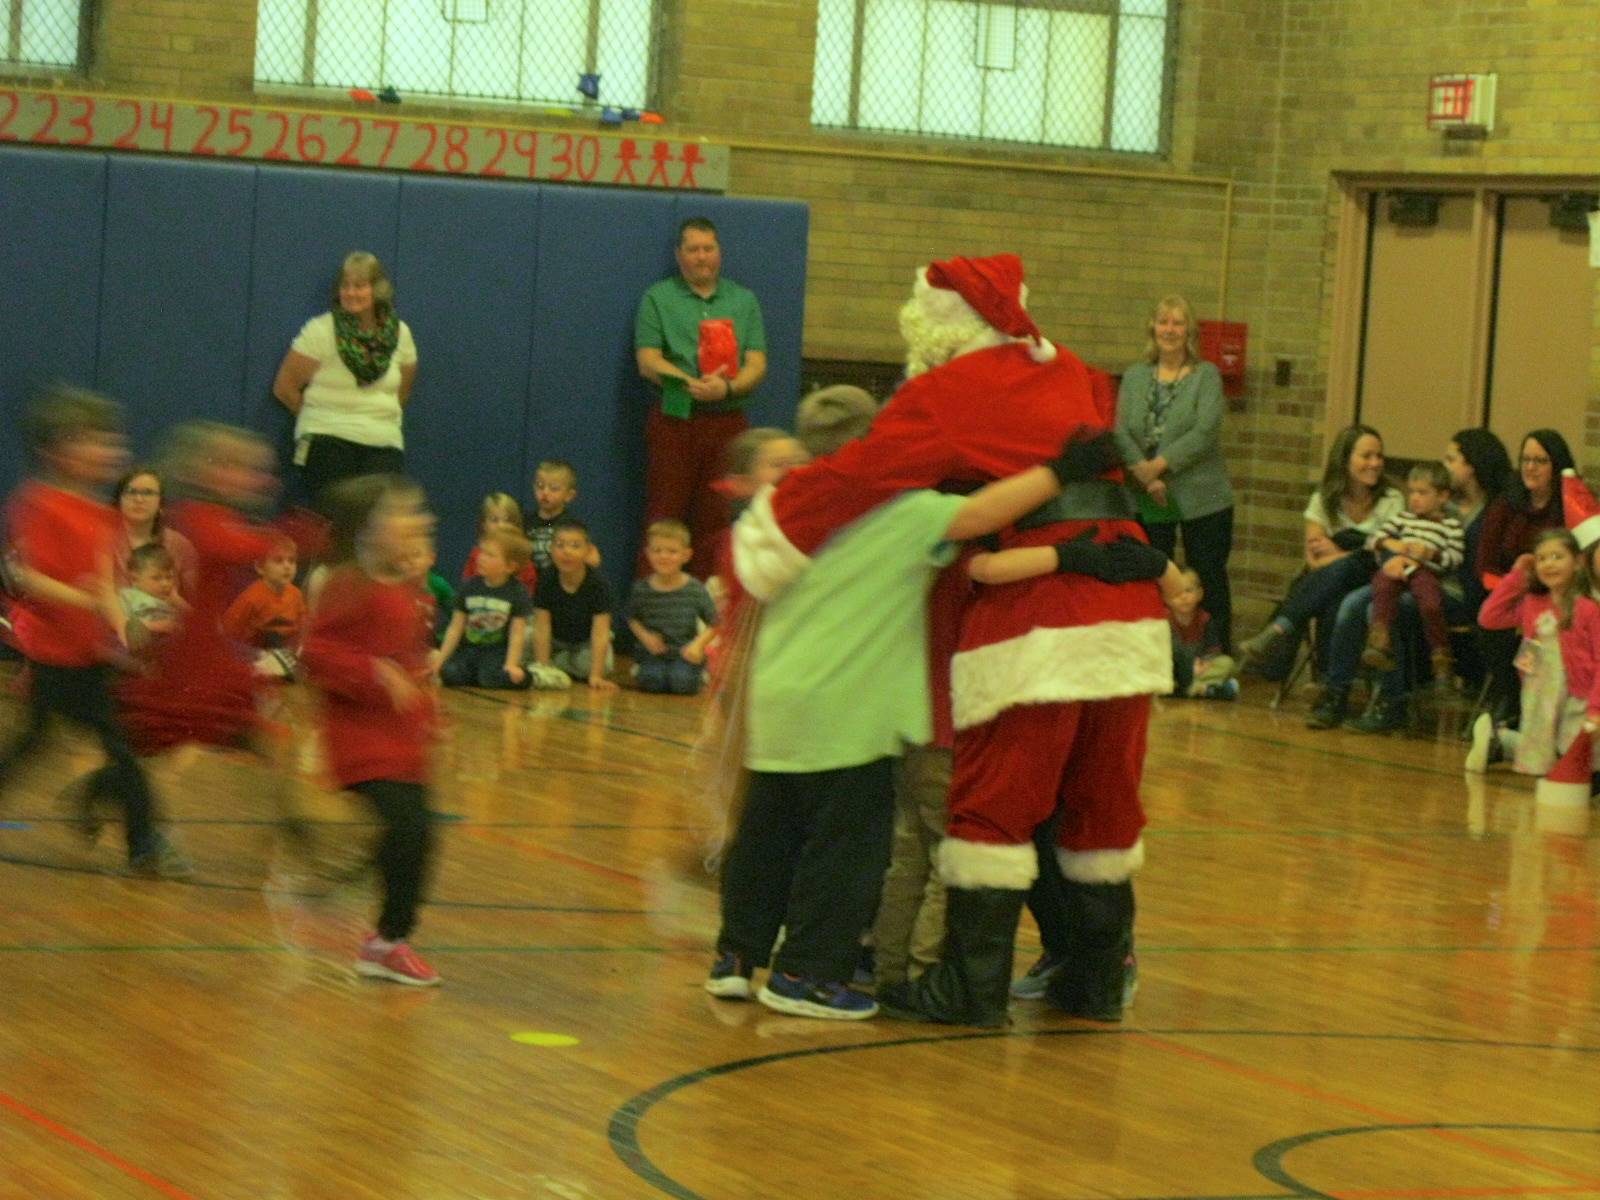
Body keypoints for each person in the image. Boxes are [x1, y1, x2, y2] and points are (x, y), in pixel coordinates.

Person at [734, 253, 1170, 1027]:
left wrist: (775, 527)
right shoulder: (1070, 370)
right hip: (1129, 609)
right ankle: (1095, 983)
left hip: (1037, 612)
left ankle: (967, 988)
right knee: (1101, 803)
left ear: (938, 325)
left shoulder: (944, 396)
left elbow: (856, 475)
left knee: (996, 801)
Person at [707, 389, 1095, 1019]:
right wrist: (1063, 468)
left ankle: (735, 958)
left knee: (766, 837)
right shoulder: (899, 511)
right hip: (849, 715)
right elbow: (979, 514)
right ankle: (805, 976)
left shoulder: (784, 506)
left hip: (779, 704)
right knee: (846, 854)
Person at [0, 386, 181, 876]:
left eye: (112, 441)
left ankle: (143, 847)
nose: (111, 451)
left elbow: (106, 582)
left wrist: (128, 629)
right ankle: (144, 847)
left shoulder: (102, 514)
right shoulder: (38, 503)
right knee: (77, 747)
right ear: (56, 449)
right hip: (54, 659)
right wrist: (84, 600)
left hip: (87, 657)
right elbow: (24, 575)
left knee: (56, 745)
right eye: (95, 441)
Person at [302, 474, 441, 986]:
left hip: (401, 741)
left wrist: (429, 717)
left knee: (415, 836)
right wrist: (374, 673)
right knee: (410, 830)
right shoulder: (347, 585)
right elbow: (315, 654)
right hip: (361, 741)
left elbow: (412, 662)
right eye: (404, 513)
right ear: (368, 529)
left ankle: (381, 927)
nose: (420, 521)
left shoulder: (404, 588)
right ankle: (386, 942)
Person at [1310, 429, 1511, 733]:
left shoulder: (1493, 511)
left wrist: (1429, 556)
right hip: (1409, 576)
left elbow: (1473, 566)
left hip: (1454, 592)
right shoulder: (1438, 505)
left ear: (1473, 466)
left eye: (1451, 459)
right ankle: (1336, 693)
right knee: (1352, 604)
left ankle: (1393, 701)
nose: (1444, 466)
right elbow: (1393, 538)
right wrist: (1394, 555)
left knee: (1387, 607)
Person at [634, 217, 768, 578]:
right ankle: (652, 611)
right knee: (664, 514)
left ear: (719, 253)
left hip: (728, 423)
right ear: (679, 255)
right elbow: (648, 361)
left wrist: (726, 388)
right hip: (675, 420)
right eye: (693, 249)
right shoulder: (657, 298)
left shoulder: (744, 300)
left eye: (708, 248)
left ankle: (710, 611)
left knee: (718, 517)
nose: (701, 257)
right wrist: (689, 382)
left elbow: (757, 364)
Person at [1114, 294, 1235, 651]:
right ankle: (1155, 655)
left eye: (1178, 323)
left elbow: (1205, 431)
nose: (1170, 330)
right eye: (1164, 322)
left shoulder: (1206, 375)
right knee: (1153, 574)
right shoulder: (1135, 376)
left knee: (1208, 576)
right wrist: (1147, 477)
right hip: (1147, 494)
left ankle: (1215, 657)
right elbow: (1119, 429)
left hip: (1204, 496)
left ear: (1189, 331)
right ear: (1153, 328)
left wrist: (1159, 466)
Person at [1238, 424, 1402, 677]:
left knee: (1355, 564)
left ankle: (1280, 628)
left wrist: (1339, 550)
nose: (1375, 463)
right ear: (1345, 459)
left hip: (1374, 580)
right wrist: (1357, 551)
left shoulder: (1392, 500)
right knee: (1334, 601)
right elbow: (1314, 562)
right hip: (1333, 582)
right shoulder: (1323, 500)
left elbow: (1385, 557)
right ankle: (1329, 683)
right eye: (1366, 456)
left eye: (1379, 456)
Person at [271, 251, 419, 507]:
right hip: (327, 440)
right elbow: (285, 388)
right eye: (345, 286)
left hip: (383, 443)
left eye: (359, 286)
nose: (350, 293)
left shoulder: (401, 334)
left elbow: (402, 392)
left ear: (378, 290)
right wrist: (323, 417)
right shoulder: (320, 330)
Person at [1467, 529, 1599, 777]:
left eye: (1557, 557)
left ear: (1578, 562)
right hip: (1539, 693)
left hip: (1577, 699)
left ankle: (1501, 741)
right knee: (1544, 754)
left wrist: (1595, 707)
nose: (1549, 564)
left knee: (1576, 760)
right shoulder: (1534, 603)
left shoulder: (1588, 608)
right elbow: (1489, 617)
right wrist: (1518, 575)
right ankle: (1501, 742)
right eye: (1542, 558)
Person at [1475, 429, 1574, 726]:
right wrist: (1516, 581)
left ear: (1555, 466)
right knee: (1492, 627)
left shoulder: (1570, 508)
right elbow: (1484, 565)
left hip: (1556, 595)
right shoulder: (1505, 505)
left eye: (1540, 461)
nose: (1530, 467)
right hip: (1508, 590)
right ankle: (1512, 698)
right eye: (1526, 460)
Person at [1360, 462, 1465, 682]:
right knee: (1382, 585)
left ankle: (1440, 655)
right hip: (1399, 567)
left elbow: (1455, 558)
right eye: (1412, 492)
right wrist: (1390, 544)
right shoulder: (1403, 518)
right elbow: (1372, 539)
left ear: (1443, 496)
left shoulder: (1451, 525)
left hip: (1424, 571)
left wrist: (1431, 554)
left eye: (1422, 493)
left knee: (1430, 603)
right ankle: (1380, 639)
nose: (1414, 498)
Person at [433, 528, 533, 690]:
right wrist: (441, 660)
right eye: (481, 552)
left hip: (497, 652)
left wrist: (511, 664)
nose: (481, 558)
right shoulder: (469, 587)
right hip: (469, 649)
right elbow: (455, 627)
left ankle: (530, 676)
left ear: (509, 566)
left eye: (489, 555)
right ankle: (475, 674)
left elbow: (517, 634)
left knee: (490, 678)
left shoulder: (517, 592)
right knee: (450, 673)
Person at [627, 520, 716, 695]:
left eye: (672, 551)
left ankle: (699, 675)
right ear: (648, 554)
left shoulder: (694, 589)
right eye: (657, 550)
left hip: (684, 653)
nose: (663, 556)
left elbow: (716, 622)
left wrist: (698, 645)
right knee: (652, 682)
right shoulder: (641, 589)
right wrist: (646, 637)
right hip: (653, 654)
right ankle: (643, 669)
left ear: (686, 555)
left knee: (681, 684)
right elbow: (631, 617)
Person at [530, 519, 617, 691]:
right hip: (554, 641)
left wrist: (596, 676)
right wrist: (543, 669)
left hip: (584, 643)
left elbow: (600, 632)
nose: (566, 552)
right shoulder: (547, 579)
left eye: (575, 546)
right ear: (551, 549)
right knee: (525, 638)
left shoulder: (599, 584)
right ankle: (553, 664)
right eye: (560, 545)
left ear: (588, 551)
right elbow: (542, 627)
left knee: (604, 664)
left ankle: (560, 663)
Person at [222, 537, 307, 679]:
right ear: (260, 567)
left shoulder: (296, 594)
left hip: (283, 656)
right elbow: (227, 634)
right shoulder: (250, 598)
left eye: (291, 561)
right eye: (278, 561)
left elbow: (301, 628)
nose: (287, 566)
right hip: (254, 660)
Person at [109, 467, 197, 598]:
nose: (139, 499)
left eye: (148, 493)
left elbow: (193, 600)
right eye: (131, 492)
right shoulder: (103, 539)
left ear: (161, 503)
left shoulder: (180, 545)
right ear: (119, 499)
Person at [1162, 567, 1238, 700]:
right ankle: (1207, 690)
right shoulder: (1165, 620)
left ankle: (1188, 689)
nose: (1183, 597)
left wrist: (1203, 663)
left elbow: (1213, 649)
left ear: (1199, 594)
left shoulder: (1205, 619)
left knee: (1227, 663)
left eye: (1188, 590)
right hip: (1175, 669)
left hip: (1199, 668)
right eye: (1177, 592)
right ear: (1166, 598)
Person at [524, 460, 599, 574]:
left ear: (569, 495)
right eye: (540, 486)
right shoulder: (525, 521)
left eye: (554, 488)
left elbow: (594, 560)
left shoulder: (572, 526)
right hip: (530, 585)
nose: (545, 492)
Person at [463, 493, 538, 595]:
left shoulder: (522, 560)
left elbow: (527, 596)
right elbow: (467, 589)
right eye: (494, 520)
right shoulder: (476, 556)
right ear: (484, 524)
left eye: (507, 520)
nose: (501, 526)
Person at [119, 542, 183, 655]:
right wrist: (156, 626)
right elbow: (123, 624)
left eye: (169, 577)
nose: (165, 584)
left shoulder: (168, 600)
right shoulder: (131, 597)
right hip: (136, 654)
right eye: (156, 578)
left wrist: (176, 600)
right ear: (134, 579)